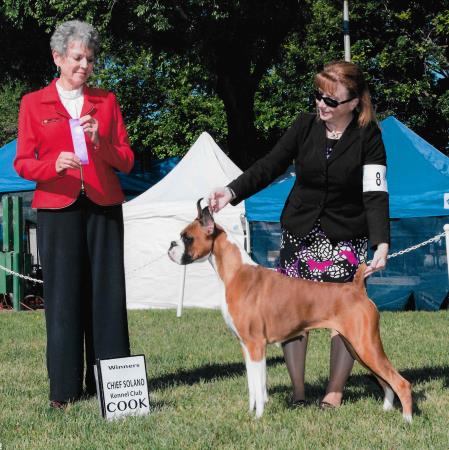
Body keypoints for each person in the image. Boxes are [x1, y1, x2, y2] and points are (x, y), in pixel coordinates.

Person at [208, 60, 389, 409]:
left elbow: (375, 193)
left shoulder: (369, 136)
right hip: (300, 234)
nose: (322, 104)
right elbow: (269, 164)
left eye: (331, 100)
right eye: (318, 96)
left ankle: (334, 392)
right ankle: (298, 391)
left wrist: (380, 241)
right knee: (292, 311)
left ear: (354, 102)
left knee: (342, 315)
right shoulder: (304, 126)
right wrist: (231, 191)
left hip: (344, 237)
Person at [14, 20, 134, 409]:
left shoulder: (107, 101)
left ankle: (111, 387)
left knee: (107, 296)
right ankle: (64, 391)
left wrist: (100, 142)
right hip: (56, 208)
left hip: (104, 206)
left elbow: (126, 161)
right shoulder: (33, 103)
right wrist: (51, 165)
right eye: (77, 57)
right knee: (63, 298)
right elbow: (22, 162)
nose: (84, 65)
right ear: (58, 58)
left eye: (90, 59)